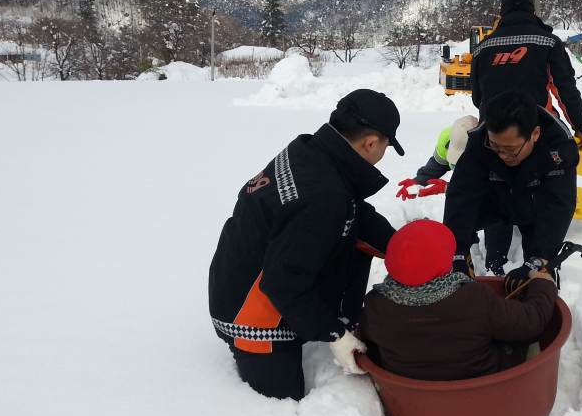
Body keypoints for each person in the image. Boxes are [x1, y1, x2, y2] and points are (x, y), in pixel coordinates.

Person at [208, 89, 403, 400]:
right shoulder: (320, 195)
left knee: (342, 240)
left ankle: (318, 320)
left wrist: (402, 248)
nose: (382, 155)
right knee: (283, 399)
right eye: (387, 147)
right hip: (250, 312)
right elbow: (284, 284)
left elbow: (353, 212)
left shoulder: (314, 153)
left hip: (241, 274)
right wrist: (335, 337)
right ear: (371, 142)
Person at [358, 219, 557, 381]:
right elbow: (531, 322)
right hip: (481, 383)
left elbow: (371, 344)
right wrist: (543, 285)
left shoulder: (376, 305)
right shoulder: (473, 298)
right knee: (524, 344)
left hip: (412, 391)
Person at [443, 89, 578, 295]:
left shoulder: (559, 150)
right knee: (453, 238)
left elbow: (558, 206)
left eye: (510, 149)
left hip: (536, 207)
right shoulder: (480, 142)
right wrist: (457, 251)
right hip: (494, 201)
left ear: (535, 134)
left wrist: (538, 260)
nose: (502, 154)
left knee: (540, 268)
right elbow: (461, 195)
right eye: (495, 146)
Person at [470, 0, 582, 148]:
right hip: (538, 129)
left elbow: (477, 98)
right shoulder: (549, 43)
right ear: (533, 13)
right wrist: (578, 125)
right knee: (563, 162)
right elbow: (564, 89)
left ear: (501, 16)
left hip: (493, 133)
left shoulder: (482, 48)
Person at [394, 115, 512, 276]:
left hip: (497, 194)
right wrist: (418, 181)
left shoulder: (495, 149)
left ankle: (496, 265)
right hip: (467, 186)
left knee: (498, 218)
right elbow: (435, 166)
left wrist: (449, 187)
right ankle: (462, 260)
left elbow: (497, 192)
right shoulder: (447, 139)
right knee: (459, 215)